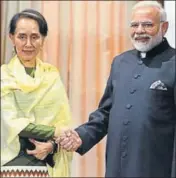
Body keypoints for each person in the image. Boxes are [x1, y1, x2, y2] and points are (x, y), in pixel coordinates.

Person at [56, 1, 176, 177]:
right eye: (134, 25)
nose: (139, 30)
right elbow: (105, 113)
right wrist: (81, 136)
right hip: (116, 169)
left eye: (147, 24)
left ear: (163, 27)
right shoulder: (121, 62)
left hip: (156, 169)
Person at [1, 9, 72, 177]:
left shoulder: (52, 76)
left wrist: (53, 145)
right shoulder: (4, 76)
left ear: (43, 39)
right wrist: (55, 132)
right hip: (11, 166)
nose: (28, 44)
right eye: (22, 37)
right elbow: (12, 123)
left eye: (34, 37)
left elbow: (63, 122)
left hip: (47, 165)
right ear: (12, 38)